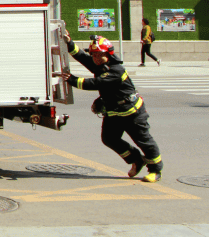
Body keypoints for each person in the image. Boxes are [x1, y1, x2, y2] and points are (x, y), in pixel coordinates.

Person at [61, 31, 163, 182]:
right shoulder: (99, 65)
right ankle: (137, 159)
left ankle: (155, 170)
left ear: (108, 54)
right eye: (94, 55)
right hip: (113, 112)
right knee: (109, 139)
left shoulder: (116, 70)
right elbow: (82, 57)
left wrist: (72, 80)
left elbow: (95, 83)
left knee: (143, 140)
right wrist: (69, 43)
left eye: (99, 55)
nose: (95, 58)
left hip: (132, 112)